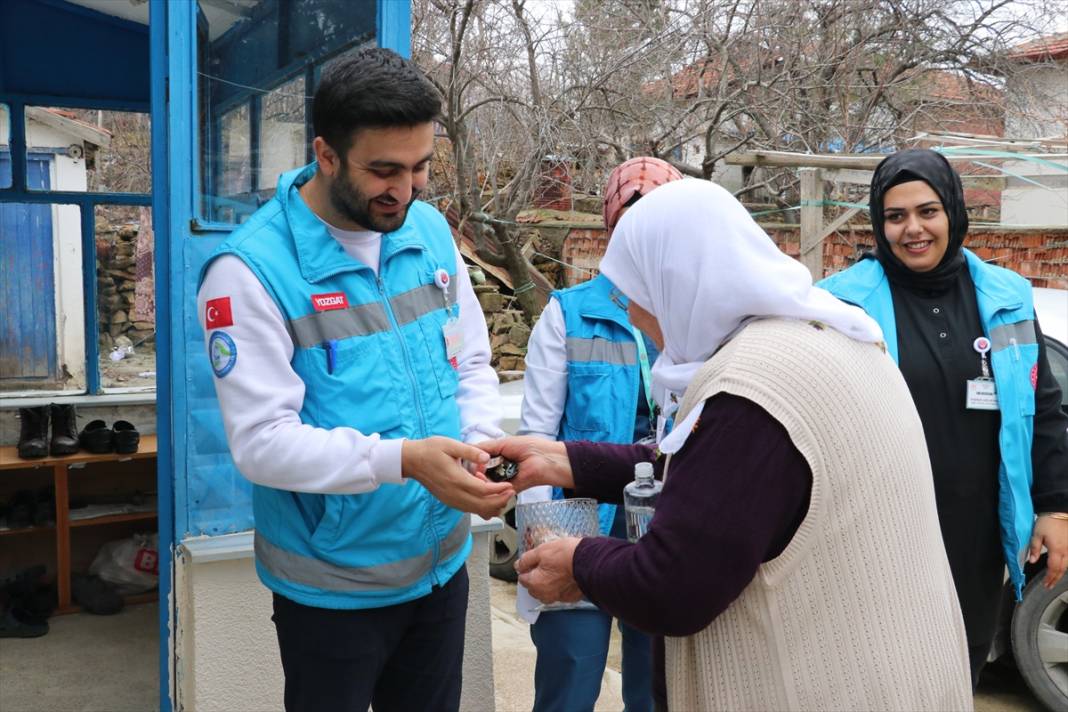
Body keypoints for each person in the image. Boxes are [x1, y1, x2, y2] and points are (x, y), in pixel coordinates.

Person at [483, 179, 974, 711]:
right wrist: (561, 461)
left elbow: (673, 585)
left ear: (675, 282)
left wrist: (579, 561)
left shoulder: (753, 389)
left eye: (635, 294)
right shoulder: (826, 335)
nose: (633, 316)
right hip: (896, 672)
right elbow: (717, 475)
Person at [196, 48, 513, 712]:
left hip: (440, 565)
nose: (406, 188)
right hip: (333, 589)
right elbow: (262, 443)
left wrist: (485, 443)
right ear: (327, 155)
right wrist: (403, 461)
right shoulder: (250, 272)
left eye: (422, 165)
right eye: (384, 170)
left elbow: (472, 361)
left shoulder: (426, 231)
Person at [819, 148, 1068, 686]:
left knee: (961, 667)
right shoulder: (840, 306)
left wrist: (1054, 507)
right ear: (878, 223)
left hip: (976, 534)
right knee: (880, 675)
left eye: (927, 211)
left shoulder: (1006, 298)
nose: (913, 229)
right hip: (879, 534)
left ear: (953, 211)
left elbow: (1041, 404)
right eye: (895, 216)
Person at [518, 157, 681, 712]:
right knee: (569, 683)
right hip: (576, 531)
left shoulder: (693, 315)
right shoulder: (568, 315)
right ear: (613, 226)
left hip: (664, 533)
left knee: (655, 689)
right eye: (632, 218)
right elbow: (538, 432)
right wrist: (540, 537)